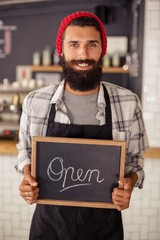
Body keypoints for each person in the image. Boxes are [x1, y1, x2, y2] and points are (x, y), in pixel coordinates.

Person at [16, 11, 149, 240]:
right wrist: (28, 178)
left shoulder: (127, 102)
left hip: (104, 228)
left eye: (92, 44)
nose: (83, 54)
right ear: (62, 50)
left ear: (102, 50)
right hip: (49, 226)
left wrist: (129, 184)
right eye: (74, 44)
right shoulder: (35, 102)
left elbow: (135, 160)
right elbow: (25, 152)